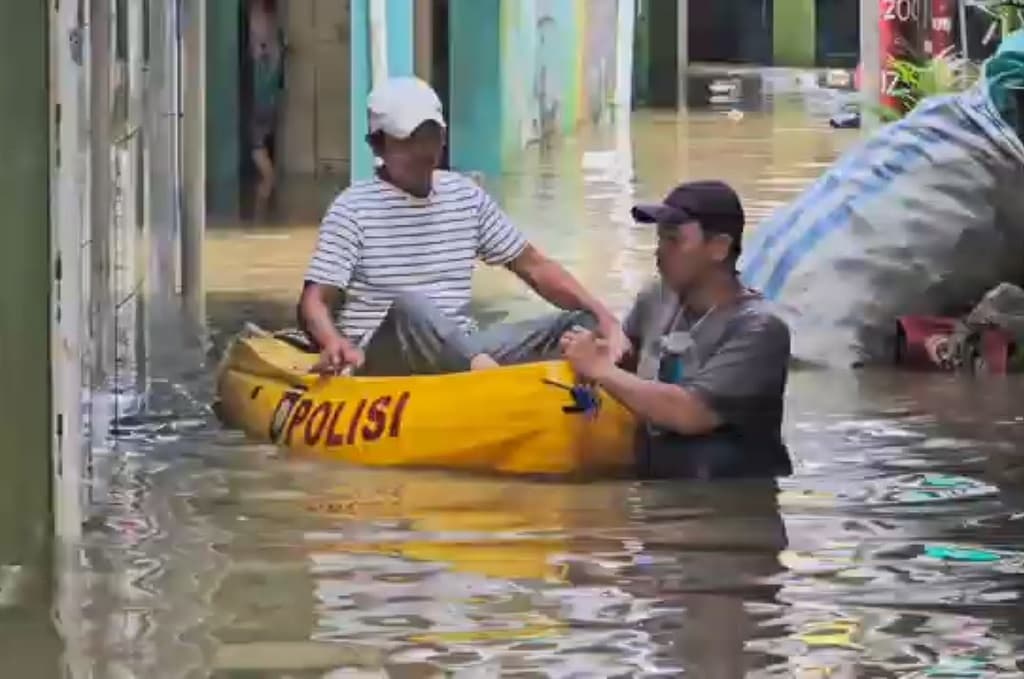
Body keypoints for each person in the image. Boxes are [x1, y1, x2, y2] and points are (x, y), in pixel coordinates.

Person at [299, 76, 628, 376]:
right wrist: (332, 341)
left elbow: (534, 267)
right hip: (385, 359)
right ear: (378, 145)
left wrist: (604, 316)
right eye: (407, 140)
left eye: (429, 137)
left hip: (465, 349)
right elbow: (315, 301)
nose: (423, 151)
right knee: (410, 307)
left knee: (581, 323)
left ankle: (490, 375)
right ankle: (491, 383)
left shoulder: (465, 196)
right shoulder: (352, 208)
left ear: (442, 137)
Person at [560, 180, 793, 480]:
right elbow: (625, 368)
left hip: (729, 505)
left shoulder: (759, 328)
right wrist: (600, 355)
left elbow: (691, 413)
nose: (660, 252)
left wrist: (601, 369)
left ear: (719, 247)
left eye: (673, 240)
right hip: (658, 485)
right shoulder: (655, 299)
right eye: (659, 240)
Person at [248, 0, 285, 213]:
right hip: (268, 93)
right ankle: (268, 186)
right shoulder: (272, 27)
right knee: (258, 139)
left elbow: (261, 50)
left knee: (256, 142)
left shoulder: (264, 29)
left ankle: (269, 182)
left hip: (264, 93)